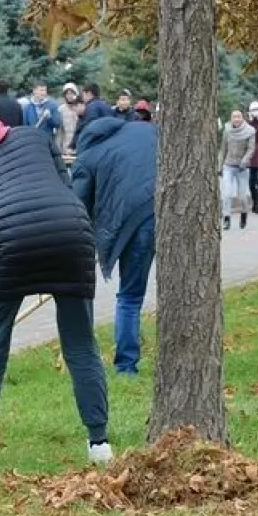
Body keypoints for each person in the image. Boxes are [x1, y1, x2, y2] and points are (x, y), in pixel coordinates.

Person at [0, 115, 108, 468]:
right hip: (72, 230)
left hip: (11, 240)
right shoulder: (34, 136)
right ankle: (99, 443)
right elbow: (67, 187)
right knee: (80, 344)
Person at [72, 117, 157, 376]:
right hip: (172, 209)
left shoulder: (89, 155)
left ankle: (126, 366)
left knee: (130, 296)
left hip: (135, 222)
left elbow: (76, 207)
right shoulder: (144, 130)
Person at [220, 109, 256, 230]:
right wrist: (220, 165)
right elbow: (223, 148)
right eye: (234, 117)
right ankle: (226, 218)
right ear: (231, 118)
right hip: (228, 165)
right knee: (227, 193)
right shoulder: (227, 130)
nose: (236, 119)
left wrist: (245, 161)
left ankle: (244, 214)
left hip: (242, 168)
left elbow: (251, 149)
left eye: (238, 116)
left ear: (242, 118)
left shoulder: (250, 131)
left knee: (242, 196)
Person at [57, 83, 81, 156]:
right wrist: (59, 149)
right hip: (66, 147)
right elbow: (60, 132)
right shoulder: (61, 109)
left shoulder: (80, 108)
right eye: (67, 94)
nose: (69, 96)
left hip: (79, 145)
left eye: (71, 93)